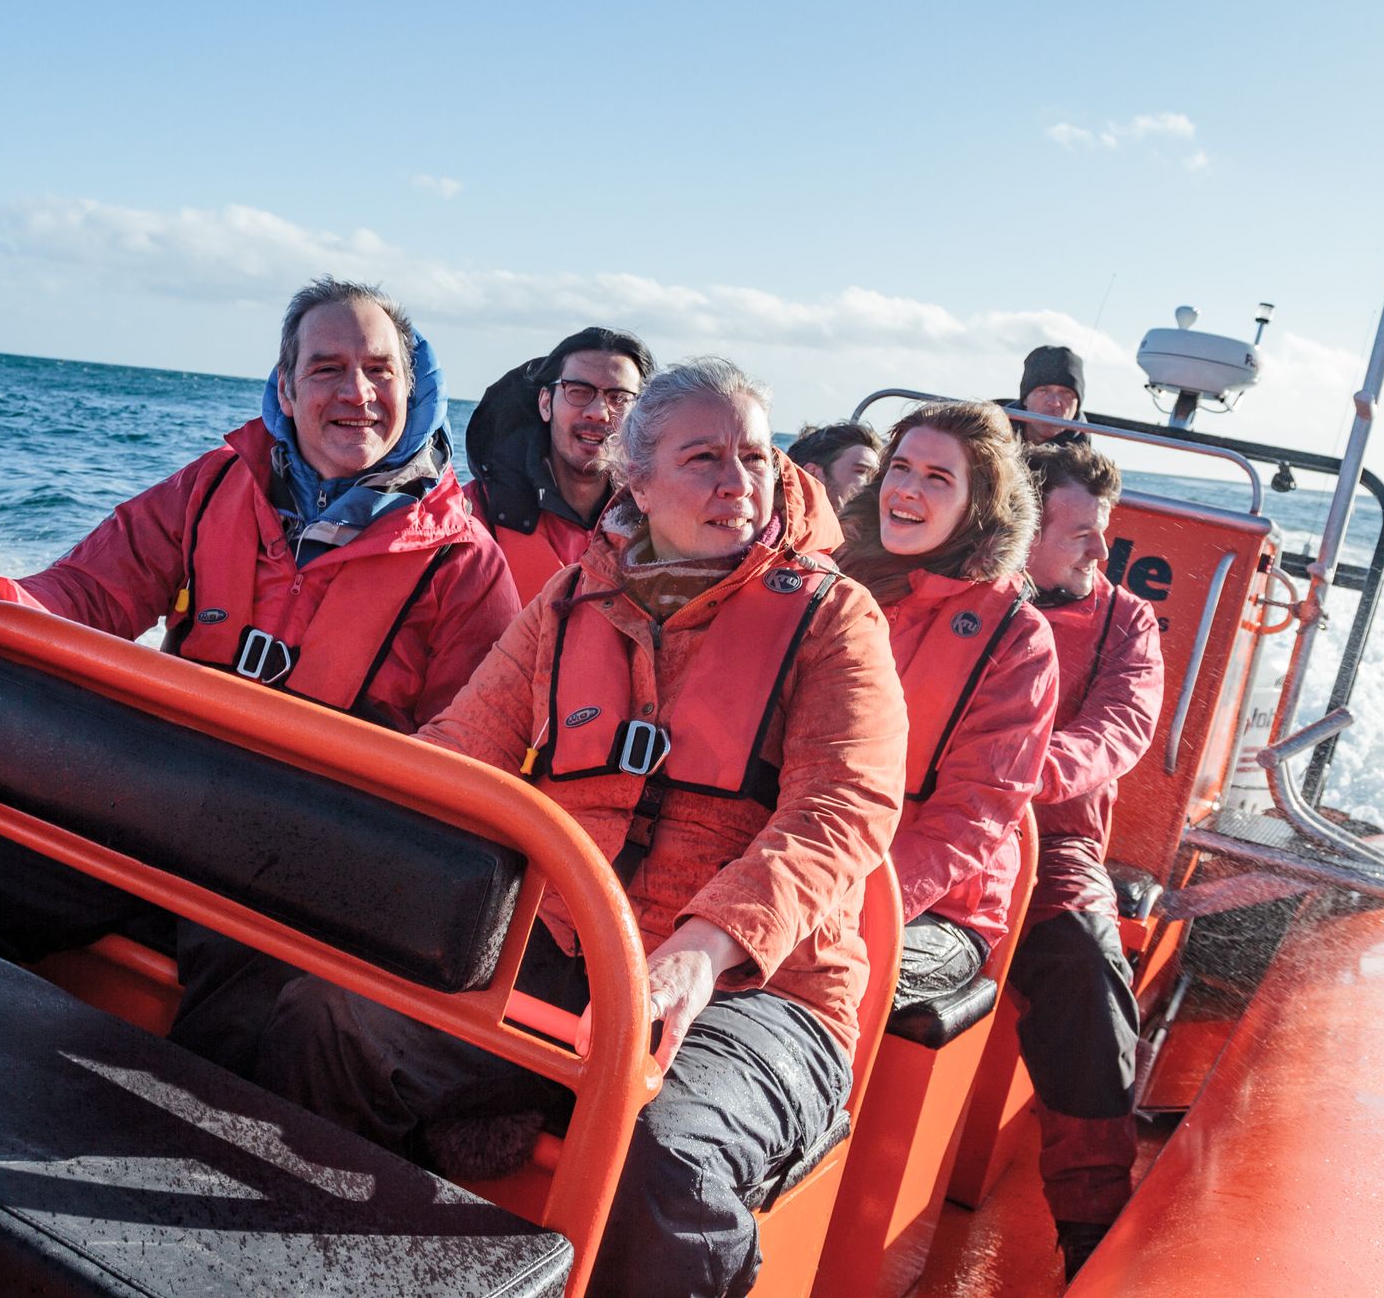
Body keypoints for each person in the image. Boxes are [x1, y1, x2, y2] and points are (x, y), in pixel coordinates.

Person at [250, 358, 909, 1297]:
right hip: (570, 949)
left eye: (755, 457)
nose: (738, 481)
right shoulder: (565, 605)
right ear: (635, 478)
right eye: (704, 457)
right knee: (326, 1018)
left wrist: (700, 948)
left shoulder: (837, 619)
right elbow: (455, 763)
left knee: (665, 1153)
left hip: (767, 991)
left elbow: (842, 812)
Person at [0, 277, 522, 1073]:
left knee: (239, 1032)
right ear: (285, 390)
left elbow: (476, 762)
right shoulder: (215, 485)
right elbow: (88, 591)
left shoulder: (463, 565)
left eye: (379, 369)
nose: (356, 392)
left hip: (310, 863)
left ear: (412, 384)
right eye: (326, 368)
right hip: (153, 804)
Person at [835, 400, 1058, 1011]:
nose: (906, 490)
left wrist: (853, 903)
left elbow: (972, 818)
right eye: (900, 468)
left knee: (820, 973)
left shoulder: (1017, 637)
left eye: (938, 478)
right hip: (808, 866)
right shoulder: (829, 583)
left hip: (936, 907)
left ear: (978, 505)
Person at [1011, 442, 1163, 1279]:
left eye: (1102, 535)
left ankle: (1090, 1229)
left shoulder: (1124, 622)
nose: (1101, 554)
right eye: (1080, 534)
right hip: (923, 819)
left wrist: (1016, 774)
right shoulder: (965, 591)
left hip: (1051, 835)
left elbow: (1119, 729)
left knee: (1085, 964)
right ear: (1022, 526)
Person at [464, 327, 656, 603]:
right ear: (545, 403)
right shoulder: (472, 516)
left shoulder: (660, 519)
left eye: (619, 398)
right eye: (578, 392)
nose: (598, 413)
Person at [787, 419, 883, 514]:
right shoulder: (783, 527)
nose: (874, 483)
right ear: (812, 474)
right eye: (861, 471)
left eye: (877, 476)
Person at [1003, 345, 1089, 445]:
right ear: (1025, 399)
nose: (1054, 403)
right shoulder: (989, 435)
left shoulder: (1086, 458)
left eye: (1066, 393)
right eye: (1043, 391)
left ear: (1077, 406)